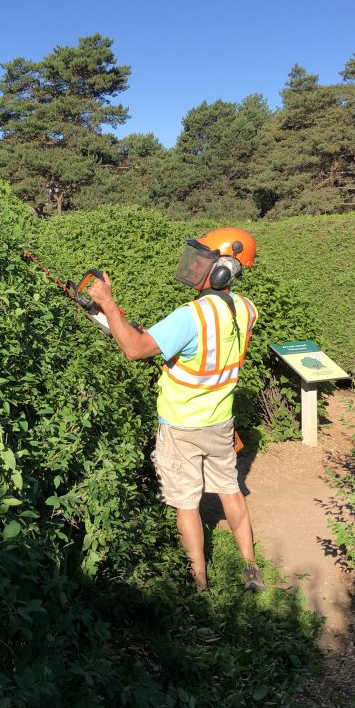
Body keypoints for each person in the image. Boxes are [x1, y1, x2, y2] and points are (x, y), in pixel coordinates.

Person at [88, 227, 266, 593]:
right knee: (231, 491)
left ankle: (199, 585)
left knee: (187, 504)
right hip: (220, 421)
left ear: (224, 270)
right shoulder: (247, 309)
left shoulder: (190, 316)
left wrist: (107, 305)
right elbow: (202, 350)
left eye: (205, 259)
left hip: (181, 425)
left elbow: (136, 350)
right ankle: (250, 565)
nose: (196, 264)